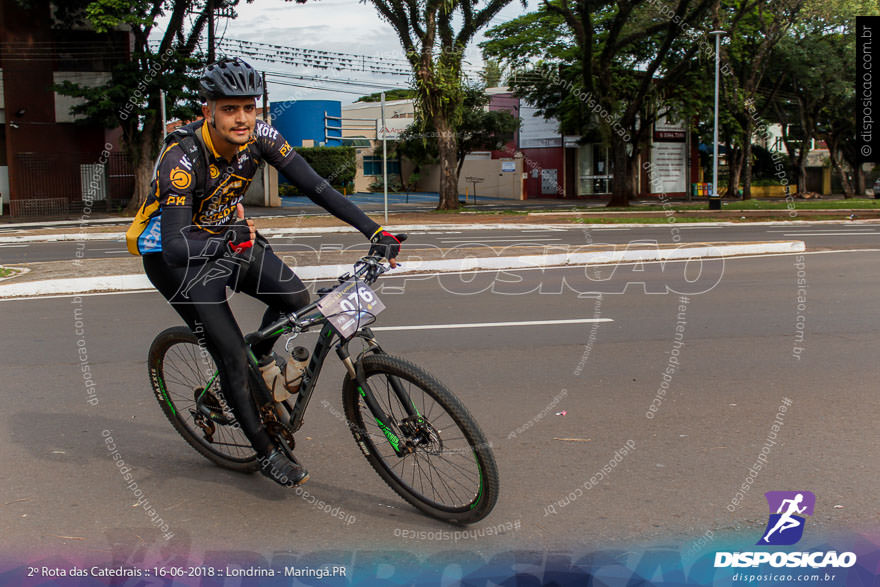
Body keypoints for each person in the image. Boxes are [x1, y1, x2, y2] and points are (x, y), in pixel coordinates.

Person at [126, 57, 401, 487]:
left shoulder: (262, 136)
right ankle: (268, 451)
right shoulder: (181, 159)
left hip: (228, 238)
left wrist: (375, 230)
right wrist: (229, 237)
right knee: (230, 353)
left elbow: (315, 185)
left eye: (249, 108)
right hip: (176, 260)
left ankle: (262, 361)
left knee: (293, 299)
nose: (241, 118)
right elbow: (177, 245)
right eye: (230, 109)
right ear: (208, 112)